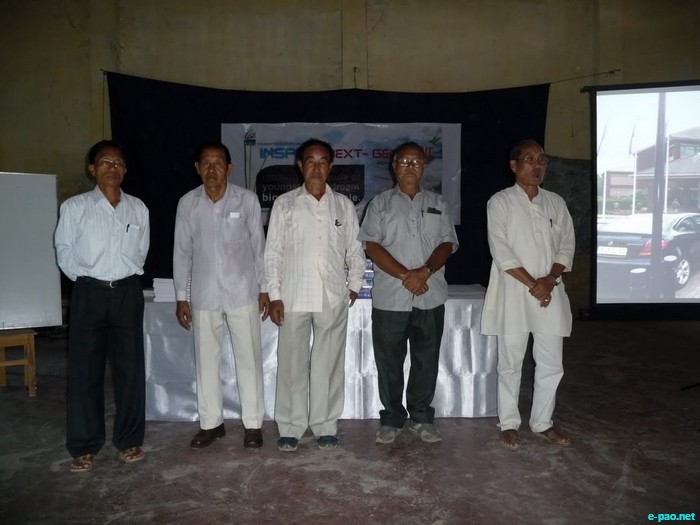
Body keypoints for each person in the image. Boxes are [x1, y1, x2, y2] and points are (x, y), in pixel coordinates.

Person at [55, 140, 150, 472]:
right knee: (85, 373)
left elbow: (142, 250)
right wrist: (89, 281)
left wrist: (120, 278)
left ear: (125, 170)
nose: (113, 168)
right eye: (106, 163)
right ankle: (84, 445)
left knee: (130, 371)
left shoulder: (138, 208)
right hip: (89, 294)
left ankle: (130, 440)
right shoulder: (75, 207)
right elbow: (64, 252)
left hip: (127, 293)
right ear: (92, 169)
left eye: (119, 163)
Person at [264, 138, 365, 452]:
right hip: (293, 294)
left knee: (328, 363)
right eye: (311, 161)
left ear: (330, 167)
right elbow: (272, 253)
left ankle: (325, 425)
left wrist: (354, 284)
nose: (317, 168)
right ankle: (291, 426)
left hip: (331, 295)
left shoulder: (343, 205)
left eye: (323, 162)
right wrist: (274, 294)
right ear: (300, 166)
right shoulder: (285, 204)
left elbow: (355, 250)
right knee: (292, 363)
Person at [359, 141, 458, 444]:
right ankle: (391, 419)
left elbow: (447, 243)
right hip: (391, 297)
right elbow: (371, 245)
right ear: (394, 166)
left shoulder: (438, 202)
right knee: (389, 363)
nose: (410, 166)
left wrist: (424, 272)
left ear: (424, 167)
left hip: (430, 294)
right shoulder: (380, 204)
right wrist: (406, 276)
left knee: (426, 361)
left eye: (416, 162)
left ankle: (421, 418)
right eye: (404, 161)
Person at [173, 141, 268, 449]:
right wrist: (181, 296)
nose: (212, 169)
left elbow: (259, 249)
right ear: (197, 168)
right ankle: (211, 424)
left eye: (218, 163)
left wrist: (265, 289)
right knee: (206, 362)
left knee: (249, 360)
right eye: (206, 163)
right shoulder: (188, 204)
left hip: (243, 293)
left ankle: (253, 425)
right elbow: (182, 253)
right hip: (204, 295)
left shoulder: (247, 200)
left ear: (229, 168)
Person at [481, 139, 575, 451]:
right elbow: (501, 250)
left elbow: (567, 246)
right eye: (530, 159)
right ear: (514, 165)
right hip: (513, 293)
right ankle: (509, 423)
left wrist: (550, 279)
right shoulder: (500, 202)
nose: (537, 165)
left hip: (550, 292)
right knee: (510, 363)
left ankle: (543, 422)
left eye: (542, 160)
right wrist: (535, 284)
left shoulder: (555, 203)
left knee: (551, 363)